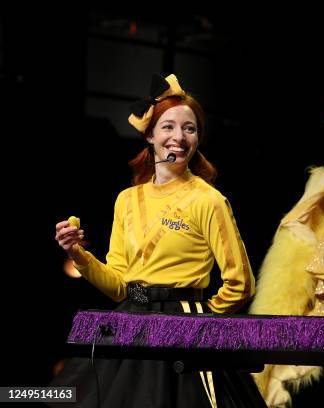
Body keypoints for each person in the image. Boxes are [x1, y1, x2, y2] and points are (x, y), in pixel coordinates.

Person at [52, 73, 265, 407]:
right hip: (133, 319)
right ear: (149, 135)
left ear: (197, 138)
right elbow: (122, 286)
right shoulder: (127, 199)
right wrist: (78, 254)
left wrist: (200, 318)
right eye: (167, 127)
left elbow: (240, 283)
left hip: (185, 329)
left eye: (189, 128)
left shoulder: (208, 200)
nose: (178, 137)